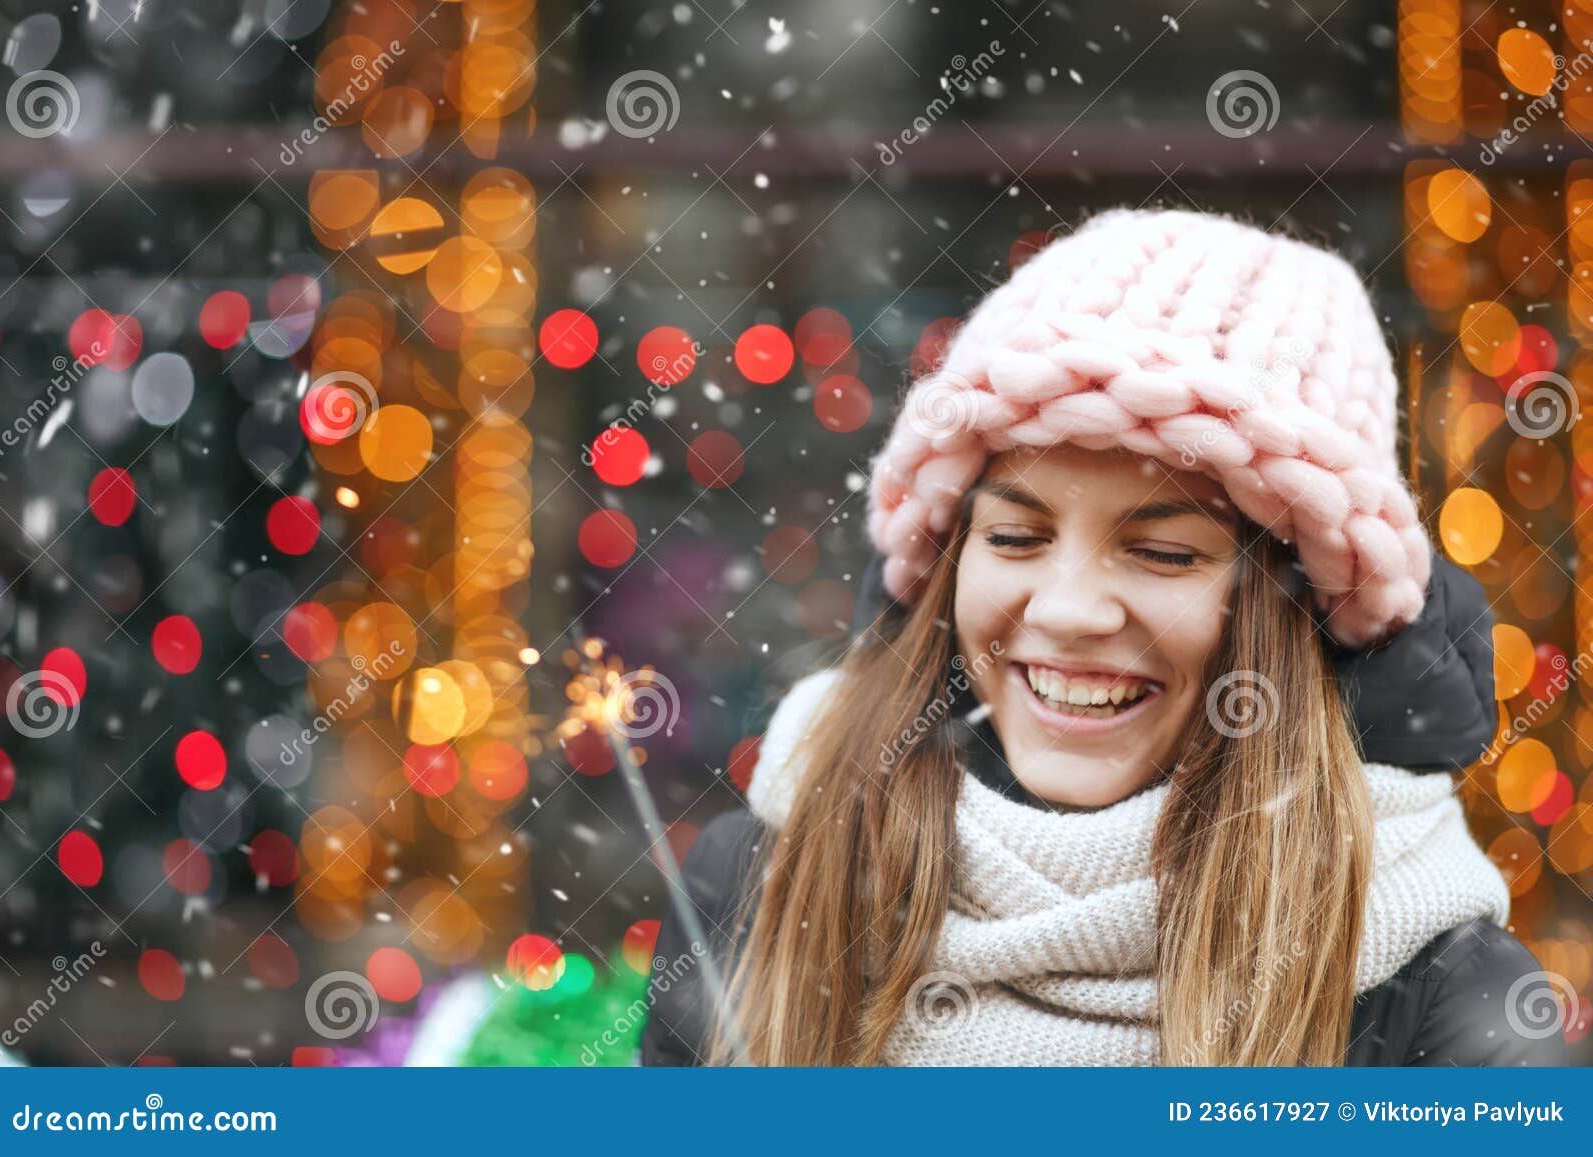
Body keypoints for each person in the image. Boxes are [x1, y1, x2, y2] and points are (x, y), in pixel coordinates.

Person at [639, 207, 1568, 1067]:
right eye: (1012, 536)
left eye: (1163, 552)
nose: (1067, 610)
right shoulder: (758, 880)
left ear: (1304, 606)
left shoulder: (1448, 1002)